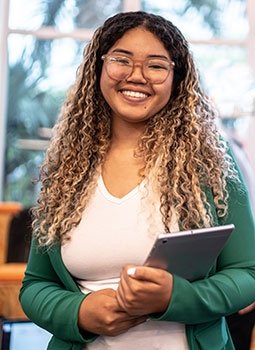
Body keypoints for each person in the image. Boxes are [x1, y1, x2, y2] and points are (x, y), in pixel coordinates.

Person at [19, 11, 255, 350]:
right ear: (99, 67)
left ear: (177, 78)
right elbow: (36, 285)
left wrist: (175, 297)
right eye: (121, 60)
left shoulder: (211, 163)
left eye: (156, 65)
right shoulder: (66, 168)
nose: (137, 76)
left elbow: (248, 274)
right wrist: (79, 312)